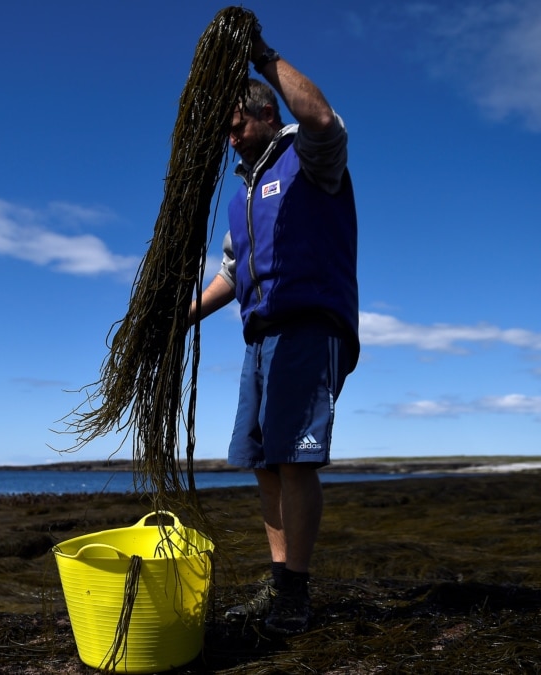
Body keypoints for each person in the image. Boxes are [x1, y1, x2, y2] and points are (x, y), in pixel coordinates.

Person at [189, 22, 358, 636]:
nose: (230, 139)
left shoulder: (306, 155)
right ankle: (279, 581)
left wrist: (264, 56)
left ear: (263, 113)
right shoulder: (243, 193)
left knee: (294, 461)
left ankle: (297, 596)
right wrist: (183, 318)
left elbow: (322, 119)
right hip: (259, 339)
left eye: (236, 126)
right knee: (263, 462)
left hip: (309, 325)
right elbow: (234, 273)